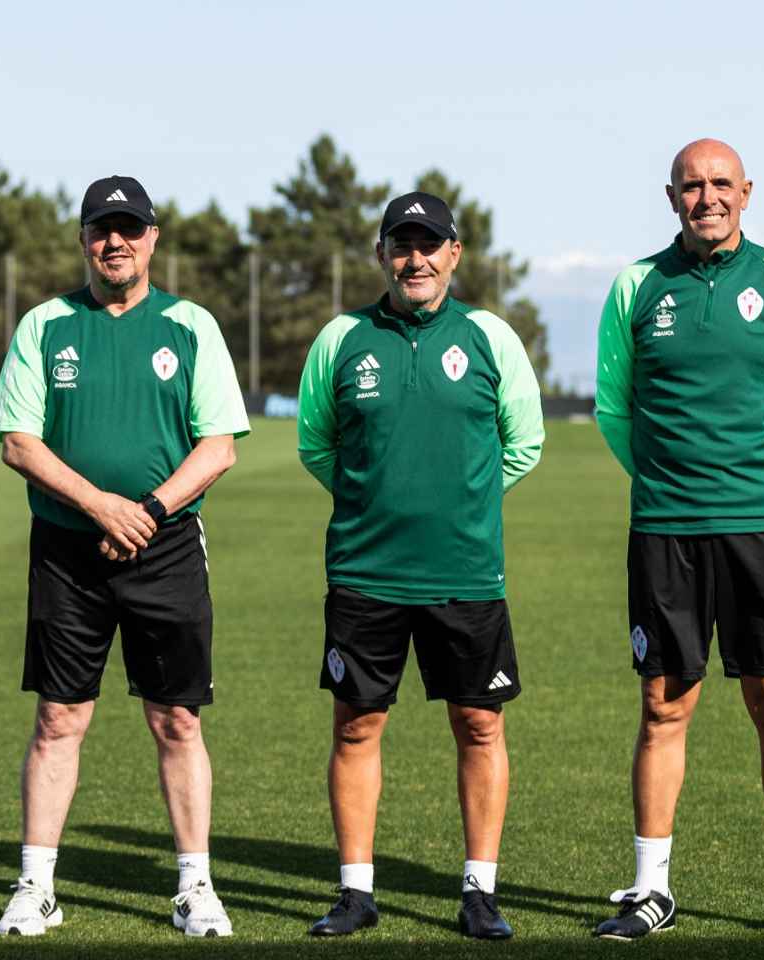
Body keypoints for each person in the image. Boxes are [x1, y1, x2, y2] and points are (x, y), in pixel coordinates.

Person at [0, 175, 249, 938]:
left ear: (153, 239)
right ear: (83, 239)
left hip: (165, 547)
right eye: (103, 228)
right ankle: (36, 885)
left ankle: (195, 886)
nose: (116, 241)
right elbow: (18, 443)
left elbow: (219, 445)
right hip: (69, 548)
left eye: (130, 228)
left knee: (177, 721)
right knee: (60, 716)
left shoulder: (191, 325)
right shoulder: (45, 325)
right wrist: (100, 505)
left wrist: (150, 510)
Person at [592, 138, 764, 942]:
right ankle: (647, 890)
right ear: (671, 198)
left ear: (748, 193)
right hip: (667, 530)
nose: (708, 197)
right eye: (692, 186)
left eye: (721, 184)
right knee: (665, 705)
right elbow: (614, 410)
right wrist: (668, 483)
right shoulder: (636, 286)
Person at [297, 191, 544, 940]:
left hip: (465, 572)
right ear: (381, 256)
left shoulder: (490, 337)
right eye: (401, 246)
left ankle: (479, 892)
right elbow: (317, 443)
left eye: (429, 244)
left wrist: (458, 498)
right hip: (365, 573)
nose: (416, 259)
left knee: (478, 724)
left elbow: (524, 443)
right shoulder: (341, 339)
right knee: (355, 726)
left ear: (454, 254)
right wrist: (378, 500)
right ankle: (356, 891)